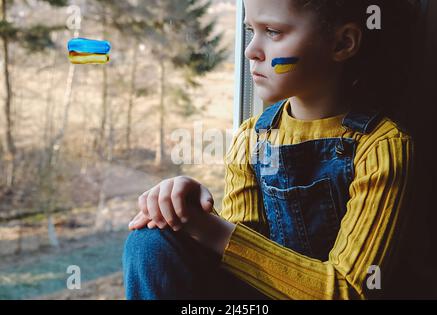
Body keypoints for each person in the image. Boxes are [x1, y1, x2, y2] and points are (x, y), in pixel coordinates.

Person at [122, 0, 419, 299]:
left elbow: (350, 291)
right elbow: (239, 263)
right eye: (251, 30)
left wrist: (212, 231)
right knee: (150, 241)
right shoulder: (251, 137)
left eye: (273, 32)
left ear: (342, 43)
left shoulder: (382, 147)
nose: (251, 50)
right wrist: (189, 211)